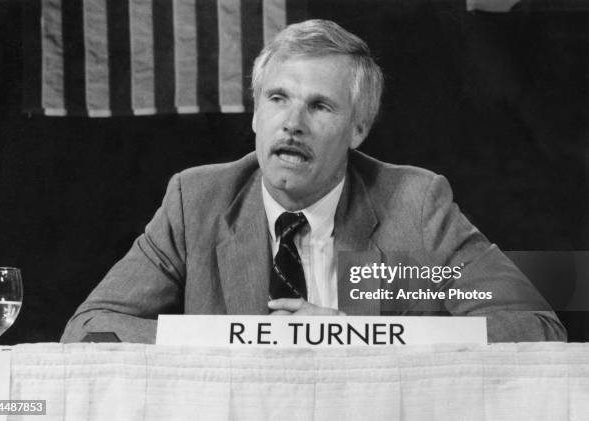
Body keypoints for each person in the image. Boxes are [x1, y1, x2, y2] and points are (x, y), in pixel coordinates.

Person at [61, 19, 565, 344]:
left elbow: (534, 330)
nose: (292, 123)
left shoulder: (416, 205)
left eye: (320, 105)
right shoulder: (196, 202)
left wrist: (353, 338)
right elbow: (90, 329)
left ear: (358, 129)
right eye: (277, 98)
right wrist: (239, 341)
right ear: (256, 115)